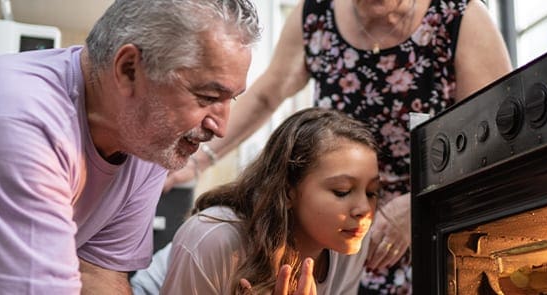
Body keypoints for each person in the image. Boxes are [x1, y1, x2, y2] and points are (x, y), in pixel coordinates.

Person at [0, 0, 260, 294]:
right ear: (129, 69)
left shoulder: (146, 137)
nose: (221, 126)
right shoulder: (18, 122)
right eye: (208, 96)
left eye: (232, 100)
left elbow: (98, 273)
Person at [163, 0, 513, 293]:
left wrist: (424, 202)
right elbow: (268, 92)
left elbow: (500, 133)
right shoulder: (316, 13)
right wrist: (196, 160)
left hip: (433, 215)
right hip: (334, 225)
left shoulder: (459, 17)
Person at [161, 107, 381, 294]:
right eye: (342, 191)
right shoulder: (213, 239)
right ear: (287, 192)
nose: (364, 210)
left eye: (372, 192)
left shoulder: (351, 239)